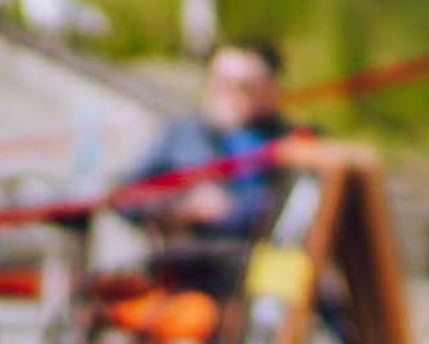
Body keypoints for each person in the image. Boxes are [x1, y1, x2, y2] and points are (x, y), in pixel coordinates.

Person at [126, 40, 305, 249]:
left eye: (243, 87)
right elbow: (125, 196)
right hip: (181, 260)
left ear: (269, 91)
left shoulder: (289, 142)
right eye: (220, 83)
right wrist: (179, 207)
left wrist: (229, 209)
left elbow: (291, 209)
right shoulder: (184, 133)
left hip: (249, 263)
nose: (227, 94)